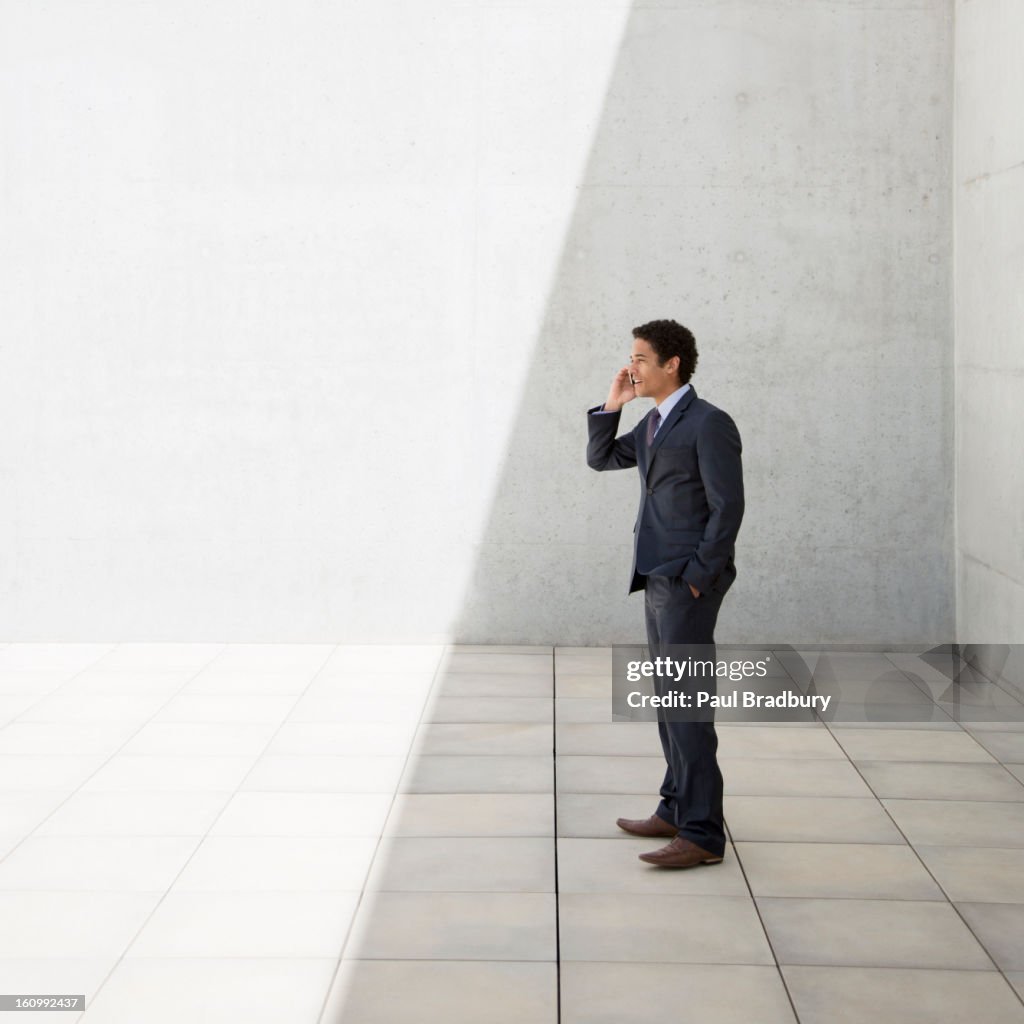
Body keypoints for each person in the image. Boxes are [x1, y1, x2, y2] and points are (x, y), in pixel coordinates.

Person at [586, 319, 744, 869]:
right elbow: (602, 458)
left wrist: (699, 574)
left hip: (687, 582)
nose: (632, 367)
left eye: (641, 358)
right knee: (669, 702)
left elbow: (729, 508)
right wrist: (614, 403)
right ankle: (676, 807)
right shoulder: (655, 424)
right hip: (655, 576)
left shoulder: (709, 423)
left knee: (688, 707)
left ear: (672, 363)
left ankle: (702, 833)